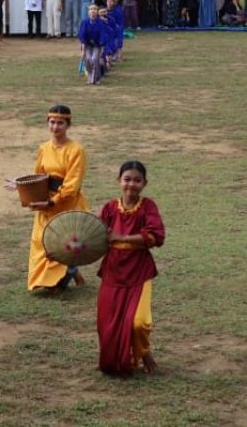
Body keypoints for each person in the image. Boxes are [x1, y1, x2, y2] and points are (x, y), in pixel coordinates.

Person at [5, 105, 89, 292]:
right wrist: (23, 186)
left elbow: (72, 185)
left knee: (61, 244)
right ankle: (68, 274)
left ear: (68, 125)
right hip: (45, 204)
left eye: (60, 123)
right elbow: (39, 176)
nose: (55, 127)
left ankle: (62, 277)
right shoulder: (44, 148)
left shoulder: (76, 150)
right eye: (52, 122)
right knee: (42, 242)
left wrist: (52, 202)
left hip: (66, 204)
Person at [97, 161, 165, 375]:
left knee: (139, 323)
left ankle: (144, 352)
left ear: (145, 183)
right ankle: (113, 360)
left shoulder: (148, 206)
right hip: (113, 271)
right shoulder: (109, 208)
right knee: (107, 322)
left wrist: (122, 237)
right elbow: (94, 236)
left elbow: (156, 236)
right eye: (127, 179)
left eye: (137, 180)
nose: (131, 184)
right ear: (119, 181)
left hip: (139, 270)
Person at [79, 4, 108, 86]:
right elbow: (82, 36)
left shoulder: (101, 22)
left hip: (97, 44)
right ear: (88, 12)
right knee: (88, 59)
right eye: (91, 9)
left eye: (95, 9)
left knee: (95, 58)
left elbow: (103, 34)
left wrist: (102, 47)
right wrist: (83, 50)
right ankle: (90, 76)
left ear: (97, 11)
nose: (93, 11)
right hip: (87, 44)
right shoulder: (84, 22)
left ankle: (95, 79)